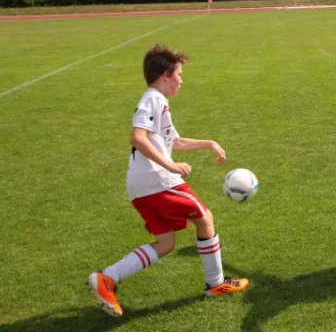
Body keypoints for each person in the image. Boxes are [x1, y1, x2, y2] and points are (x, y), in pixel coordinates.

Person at [87, 44, 249, 317]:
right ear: (165, 75)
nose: (181, 80)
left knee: (166, 243)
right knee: (205, 218)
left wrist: (210, 143)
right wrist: (170, 164)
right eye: (179, 74)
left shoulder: (159, 102)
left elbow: (174, 141)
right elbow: (137, 138)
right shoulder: (153, 98)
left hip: (141, 185)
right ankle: (216, 284)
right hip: (158, 181)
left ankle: (107, 279)